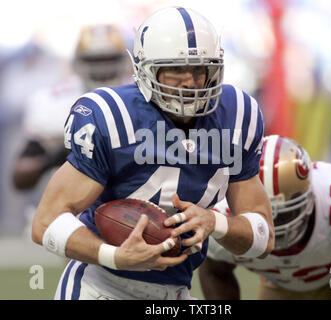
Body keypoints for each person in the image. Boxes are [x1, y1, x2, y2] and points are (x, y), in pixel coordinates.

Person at [31, 7, 274, 300]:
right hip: (101, 288)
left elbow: (264, 238)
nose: (190, 81)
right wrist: (115, 255)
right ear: (145, 69)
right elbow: (46, 222)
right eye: (175, 69)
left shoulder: (237, 115)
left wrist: (216, 222)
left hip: (175, 292)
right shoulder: (112, 115)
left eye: (200, 69)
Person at [199, 134, 331, 300]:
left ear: (309, 197)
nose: (276, 227)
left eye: (284, 215)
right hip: (280, 287)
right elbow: (215, 272)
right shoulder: (223, 213)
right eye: (265, 214)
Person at [13, 24, 131, 191]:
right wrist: (57, 156)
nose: (103, 69)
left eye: (109, 59)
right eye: (95, 60)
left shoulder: (141, 96)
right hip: (68, 204)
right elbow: (20, 179)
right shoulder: (51, 102)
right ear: (77, 62)